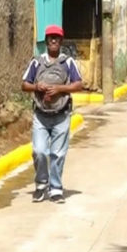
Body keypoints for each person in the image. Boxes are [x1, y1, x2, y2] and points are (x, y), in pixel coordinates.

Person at [21, 25, 84, 204]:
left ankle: (56, 188)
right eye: (50, 38)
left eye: (57, 38)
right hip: (41, 115)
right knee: (39, 151)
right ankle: (41, 185)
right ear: (46, 41)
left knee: (58, 154)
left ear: (61, 41)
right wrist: (36, 87)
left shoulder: (67, 62)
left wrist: (59, 89)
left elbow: (78, 84)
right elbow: (24, 84)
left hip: (61, 116)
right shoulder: (37, 62)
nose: (54, 41)